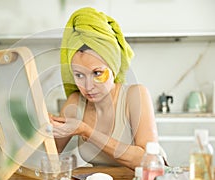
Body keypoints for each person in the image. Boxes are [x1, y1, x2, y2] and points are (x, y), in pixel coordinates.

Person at [50, 7, 166, 170]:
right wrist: (45, 128)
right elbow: (49, 154)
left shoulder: (135, 95)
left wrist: (86, 131)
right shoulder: (76, 103)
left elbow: (147, 160)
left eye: (97, 73)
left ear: (113, 68)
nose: (88, 87)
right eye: (79, 75)